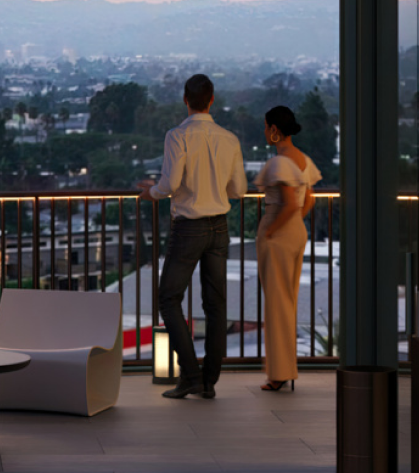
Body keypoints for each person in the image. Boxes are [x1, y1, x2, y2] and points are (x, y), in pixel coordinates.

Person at [137, 74, 244, 399]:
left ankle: (191, 374)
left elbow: (169, 185)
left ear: (186, 100)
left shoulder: (177, 136)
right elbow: (238, 190)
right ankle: (208, 381)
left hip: (188, 227)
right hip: (219, 226)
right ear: (212, 100)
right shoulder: (229, 139)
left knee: (168, 299)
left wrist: (151, 193)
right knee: (215, 305)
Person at [256, 103, 321, 392]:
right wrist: (294, 222)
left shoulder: (280, 163)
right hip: (296, 231)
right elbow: (308, 200)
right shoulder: (303, 160)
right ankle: (284, 369)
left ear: (274, 129)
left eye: (266, 126)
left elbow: (289, 202)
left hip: (279, 233)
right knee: (287, 300)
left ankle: (279, 372)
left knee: (277, 303)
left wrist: (270, 229)